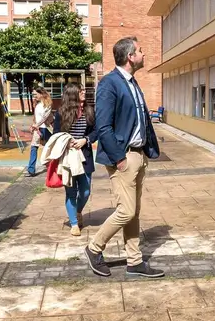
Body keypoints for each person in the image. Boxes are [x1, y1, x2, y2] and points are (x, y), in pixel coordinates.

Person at [84, 37, 164, 279]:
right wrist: (120, 158)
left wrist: (147, 150)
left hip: (138, 156)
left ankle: (134, 261)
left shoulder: (132, 83)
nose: (144, 53)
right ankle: (94, 248)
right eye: (140, 50)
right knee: (126, 211)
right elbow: (104, 126)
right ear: (130, 56)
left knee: (134, 211)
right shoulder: (110, 84)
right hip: (124, 158)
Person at [51, 82, 97, 237]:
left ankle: (77, 212)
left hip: (85, 156)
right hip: (68, 157)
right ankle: (74, 224)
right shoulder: (61, 113)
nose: (84, 92)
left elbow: (96, 131)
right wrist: (67, 141)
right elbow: (56, 133)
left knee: (85, 191)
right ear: (72, 94)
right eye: (81, 90)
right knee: (71, 191)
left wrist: (86, 140)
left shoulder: (90, 110)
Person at [26, 88, 52, 176]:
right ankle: (31, 169)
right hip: (38, 129)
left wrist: (37, 125)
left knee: (49, 148)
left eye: (35, 94)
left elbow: (45, 117)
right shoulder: (37, 105)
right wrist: (33, 125)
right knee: (34, 147)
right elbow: (36, 117)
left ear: (41, 94)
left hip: (46, 129)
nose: (34, 96)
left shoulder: (47, 105)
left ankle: (51, 166)